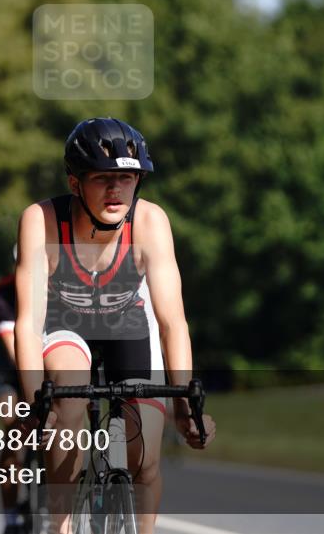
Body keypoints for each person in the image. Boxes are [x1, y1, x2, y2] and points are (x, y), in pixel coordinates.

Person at [14, 117, 216, 534]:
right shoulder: (42, 220)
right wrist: (36, 399)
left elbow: (172, 322)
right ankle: (61, 524)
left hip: (129, 325)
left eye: (126, 178)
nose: (115, 190)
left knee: (145, 461)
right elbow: (28, 323)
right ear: (75, 184)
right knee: (68, 395)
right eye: (103, 178)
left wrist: (186, 406)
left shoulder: (150, 222)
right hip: (63, 323)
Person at [0, 265, 24, 534]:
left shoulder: (62, 285)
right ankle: (11, 517)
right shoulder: (2, 291)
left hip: (50, 366)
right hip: (11, 373)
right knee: (13, 426)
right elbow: (12, 344)